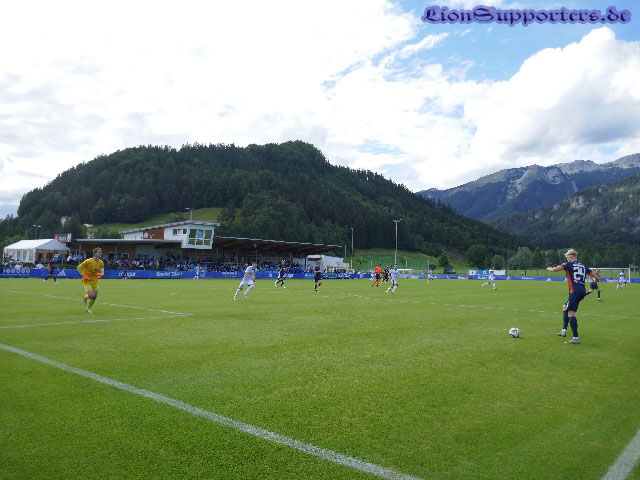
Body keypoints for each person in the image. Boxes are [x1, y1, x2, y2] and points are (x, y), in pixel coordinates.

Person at [546, 248, 598, 345]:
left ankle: (575, 338)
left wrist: (549, 268)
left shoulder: (568, 264)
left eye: (567, 258)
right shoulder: (584, 265)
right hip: (581, 291)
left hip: (574, 291)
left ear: (571, 256)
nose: (567, 259)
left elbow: (554, 270)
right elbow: (596, 277)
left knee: (571, 313)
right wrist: (595, 278)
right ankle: (564, 331)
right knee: (565, 307)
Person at [77, 248, 105, 313]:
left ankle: (88, 309)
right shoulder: (88, 261)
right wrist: (84, 275)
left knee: (94, 296)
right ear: (95, 253)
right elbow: (79, 268)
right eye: (99, 252)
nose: (100, 253)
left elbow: (102, 271)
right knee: (91, 295)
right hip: (87, 281)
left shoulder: (101, 262)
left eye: (101, 252)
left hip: (95, 281)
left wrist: (101, 274)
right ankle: (85, 297)